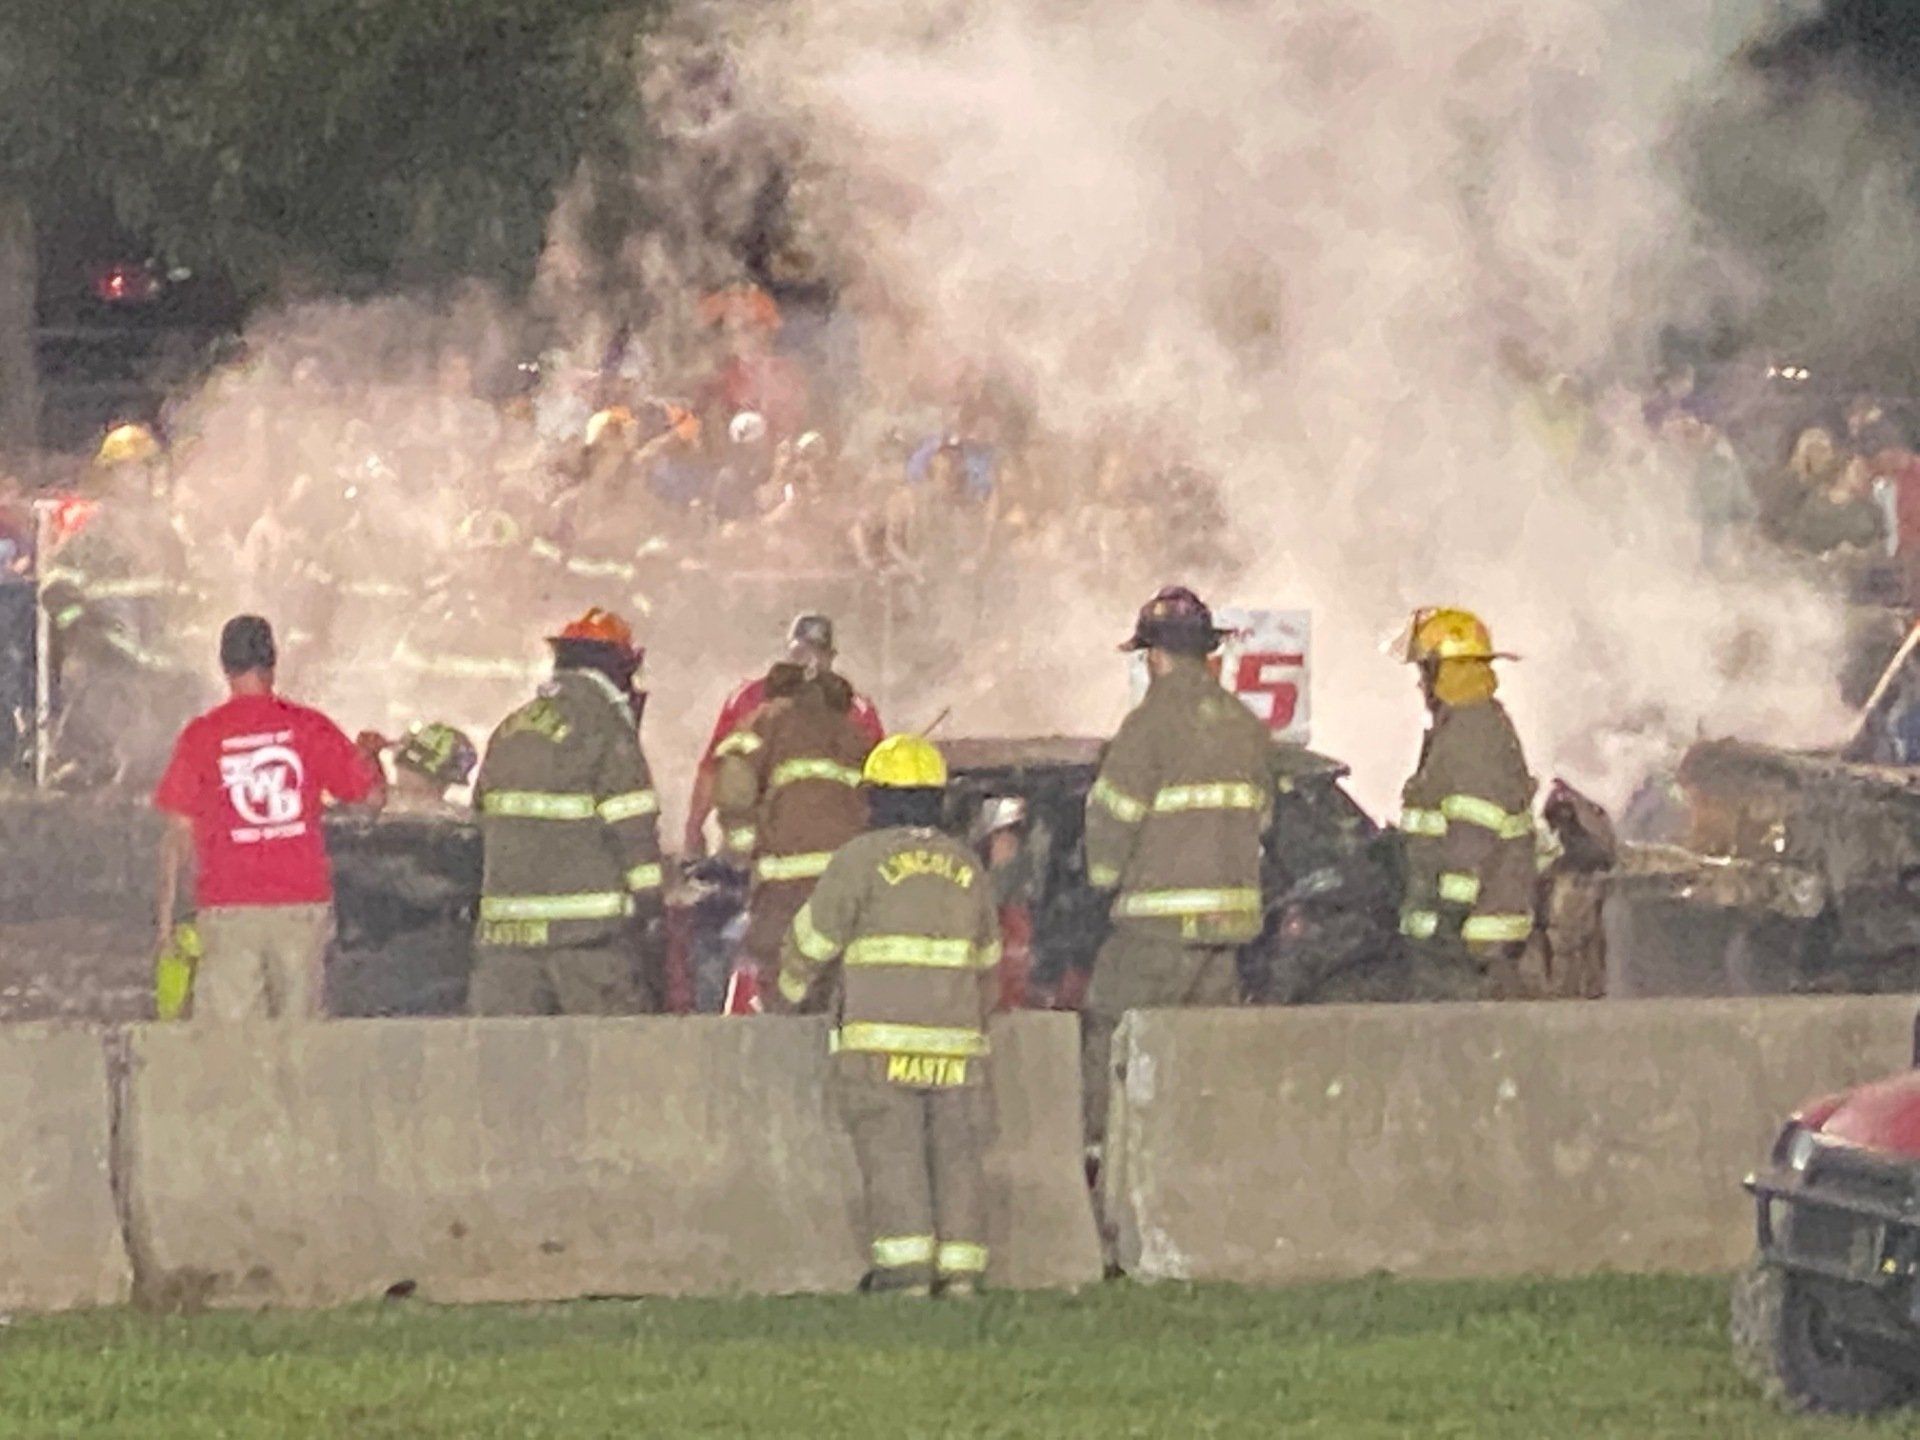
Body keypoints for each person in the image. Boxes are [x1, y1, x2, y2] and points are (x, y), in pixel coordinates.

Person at [774, 735, 1001, 1297]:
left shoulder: (860, 861)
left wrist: (790, 991)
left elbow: (813, 940)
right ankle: (962, 1275)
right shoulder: (966, 865)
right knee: (957, 1158)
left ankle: (906, 1277)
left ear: (874, 799)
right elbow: (990, 964)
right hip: (957, 1048)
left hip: (880, 1047)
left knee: (893, 1154)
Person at [1080, 586, 1274, 1150]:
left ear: (1155, 656)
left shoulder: (1149, 724)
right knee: (1206, 1055)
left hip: (1155, 934)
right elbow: (1261, 817)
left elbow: (1112, 823)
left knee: (1110, 1027)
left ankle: (1104, 1154)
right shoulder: (1244, 725)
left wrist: (1102, 880)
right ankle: (1206, 1158)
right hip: (1227, 935)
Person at [152, 615, 386, 1021]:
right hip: (300, 905)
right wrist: (371, 756)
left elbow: (178, 836)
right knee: (299, 1041)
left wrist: (166, 923)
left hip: (229, 909)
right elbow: (371, 798)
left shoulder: (202, 736)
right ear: (273, 662)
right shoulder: (310, 727)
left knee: (233, 1050)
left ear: (224, 666)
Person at [470, 608, 665, 1015]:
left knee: (508, 1066)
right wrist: (651, 903)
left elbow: (479, 819)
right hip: (587, 940)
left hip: (506, 944)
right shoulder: (605, 726)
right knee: (611, 1059)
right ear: (619, 667)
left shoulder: (511, 727)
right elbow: (633, 824)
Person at [712, 644, 875, 1002]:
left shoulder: (764, 721)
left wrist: (741, 850)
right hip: (846, 885)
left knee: (782, 975)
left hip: (784, 884)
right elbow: (873, 803)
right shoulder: (852, 735)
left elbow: (734, 785)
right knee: (840, 979)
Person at [1396, 607, 1537, 999]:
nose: (1421, 685)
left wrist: (1448, 916)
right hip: (1467, 943)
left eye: (1425, 672)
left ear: (1444, 672)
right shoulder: (1465, 729)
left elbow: (1473, 834)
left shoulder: (1473, 737)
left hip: (1472, 947)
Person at [683, 614, 883, 856]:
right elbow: (715, 769)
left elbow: (716, 769)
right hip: (832, 843)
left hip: (767, 846)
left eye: (816, 653)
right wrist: (694, 826)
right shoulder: (854, 708)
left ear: (830, 657)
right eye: (803, 652)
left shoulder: (751, 698)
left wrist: (695, 830)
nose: (809, 662)